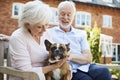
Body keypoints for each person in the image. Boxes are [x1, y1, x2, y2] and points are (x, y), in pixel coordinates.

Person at [48, 1, 112, 80]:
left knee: (104, 72)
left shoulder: (81, 34)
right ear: (58, 15)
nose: (65, 17)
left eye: (69, 14)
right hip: (67, 70)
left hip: (85, 67)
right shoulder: (49, 33)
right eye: (63, 14)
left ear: (73, 16)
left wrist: (71, 57)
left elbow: (88, 58)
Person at [8, 1, 67, 80]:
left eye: (46, 24)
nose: (45, 30)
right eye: (39, 27)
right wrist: (54, 66)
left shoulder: (46, 34)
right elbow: (27, 72)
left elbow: (51, 53)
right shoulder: (18, 38)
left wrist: (63, 55)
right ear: (27, 24)